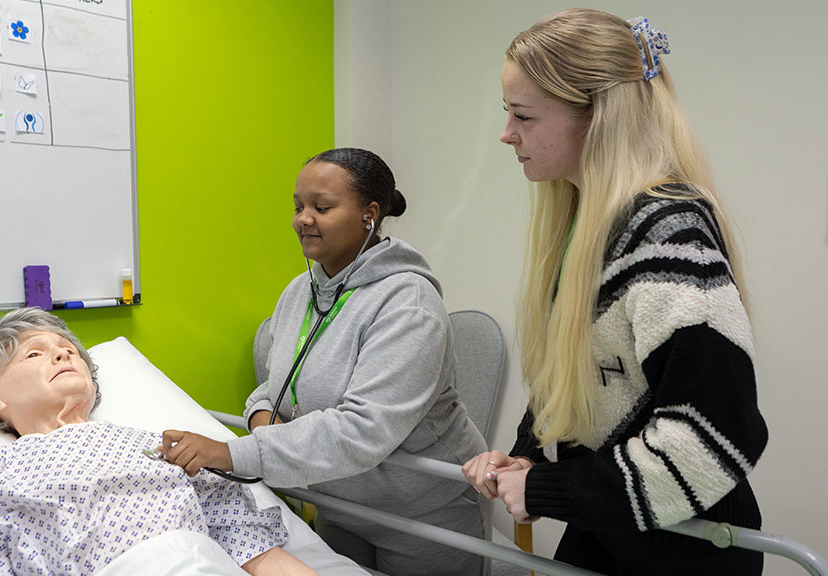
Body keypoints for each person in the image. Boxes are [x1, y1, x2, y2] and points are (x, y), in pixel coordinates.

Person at [462, 9, 768, 575]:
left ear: (597, 117)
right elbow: (589, 376)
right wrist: (526, 456)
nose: (507, 134)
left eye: (523, 116)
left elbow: (712, 440)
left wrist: (547, 488)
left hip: (685, 549)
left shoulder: (667, 234)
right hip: (613, 532)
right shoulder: (589, 224)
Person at [160, 147, 490, 576]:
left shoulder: (408, 303)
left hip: (422, 511)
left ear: (369, 215)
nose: (303, 219)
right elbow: (276, 384)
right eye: (298, 206)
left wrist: (233, 452)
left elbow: (362, 430)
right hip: (340, 502)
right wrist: (263, 415)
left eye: (321, 206)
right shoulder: (301, 291)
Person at [0, 307, 316, 576]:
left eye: (69, 351)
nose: (64, 353)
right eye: (34, 354)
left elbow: (252, 548)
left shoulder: (164, 446)